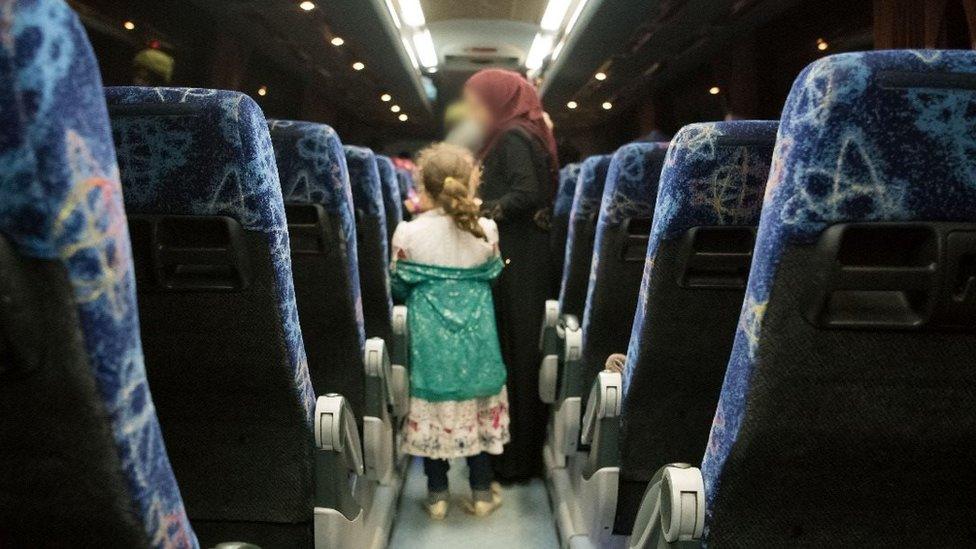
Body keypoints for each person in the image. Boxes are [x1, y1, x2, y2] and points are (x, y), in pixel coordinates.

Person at [391, 143, 510, 519]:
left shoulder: (408, 234)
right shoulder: (486, 230)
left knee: (436, 417)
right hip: (478, 348)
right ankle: (481, 494)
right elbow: (493, 276)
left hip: (431, 351)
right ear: (471, 183)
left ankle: (437, 496)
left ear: (423, 187)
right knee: (473, 412)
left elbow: (398, 286)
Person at [463, 69, 558, 481]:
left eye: (477, 98)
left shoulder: (514, 136)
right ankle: (518, 457)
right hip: (527, 255)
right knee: (521, 351)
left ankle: (514, 462)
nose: (471, 108)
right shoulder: (526, 131)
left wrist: (475, 207)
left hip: (518, 257)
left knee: (515, 353)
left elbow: (527, 193)